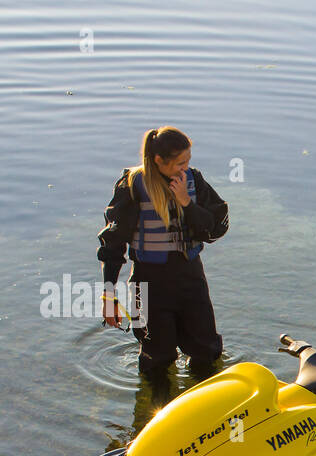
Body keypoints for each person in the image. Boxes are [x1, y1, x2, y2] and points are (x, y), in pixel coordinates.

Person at [98, 126, 230, 376]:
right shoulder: (131, 186)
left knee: (207, 352)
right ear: (159, 161)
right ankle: (153, 409)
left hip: (191, 279)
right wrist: (108, 295)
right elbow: (112, 244)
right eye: (180, 162)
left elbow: (212, 227)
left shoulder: (194, 181)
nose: (185, 168)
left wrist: (186, 202)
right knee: (156, 359)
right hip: (147, 285)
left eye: (188, 161)